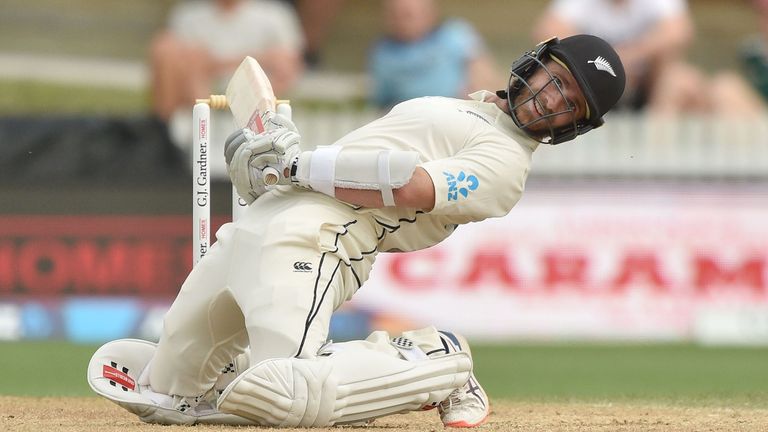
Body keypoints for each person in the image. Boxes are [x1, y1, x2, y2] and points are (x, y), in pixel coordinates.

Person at [87, 34, 626, 428]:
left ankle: (436, 361)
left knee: (290, 395)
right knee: (167, 395)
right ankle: (237, 370)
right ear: (534, 64)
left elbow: (411, 185)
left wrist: (295, 166)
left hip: (322, 238)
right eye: (555, 81)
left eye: (570, 104)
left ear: (572, 126)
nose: (553, 100)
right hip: (255, 226)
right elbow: (363, 155)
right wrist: (277, 166)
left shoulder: (506, 164)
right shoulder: (465, 109)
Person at [369, 0, 501, 109]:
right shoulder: (383, 51)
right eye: (393, 15)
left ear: (429, 14)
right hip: (409, 118)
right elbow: (382, 100)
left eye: (407, 15)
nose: (399, 22)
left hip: (458, 110)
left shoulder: (455, 34)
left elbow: (484, 74)